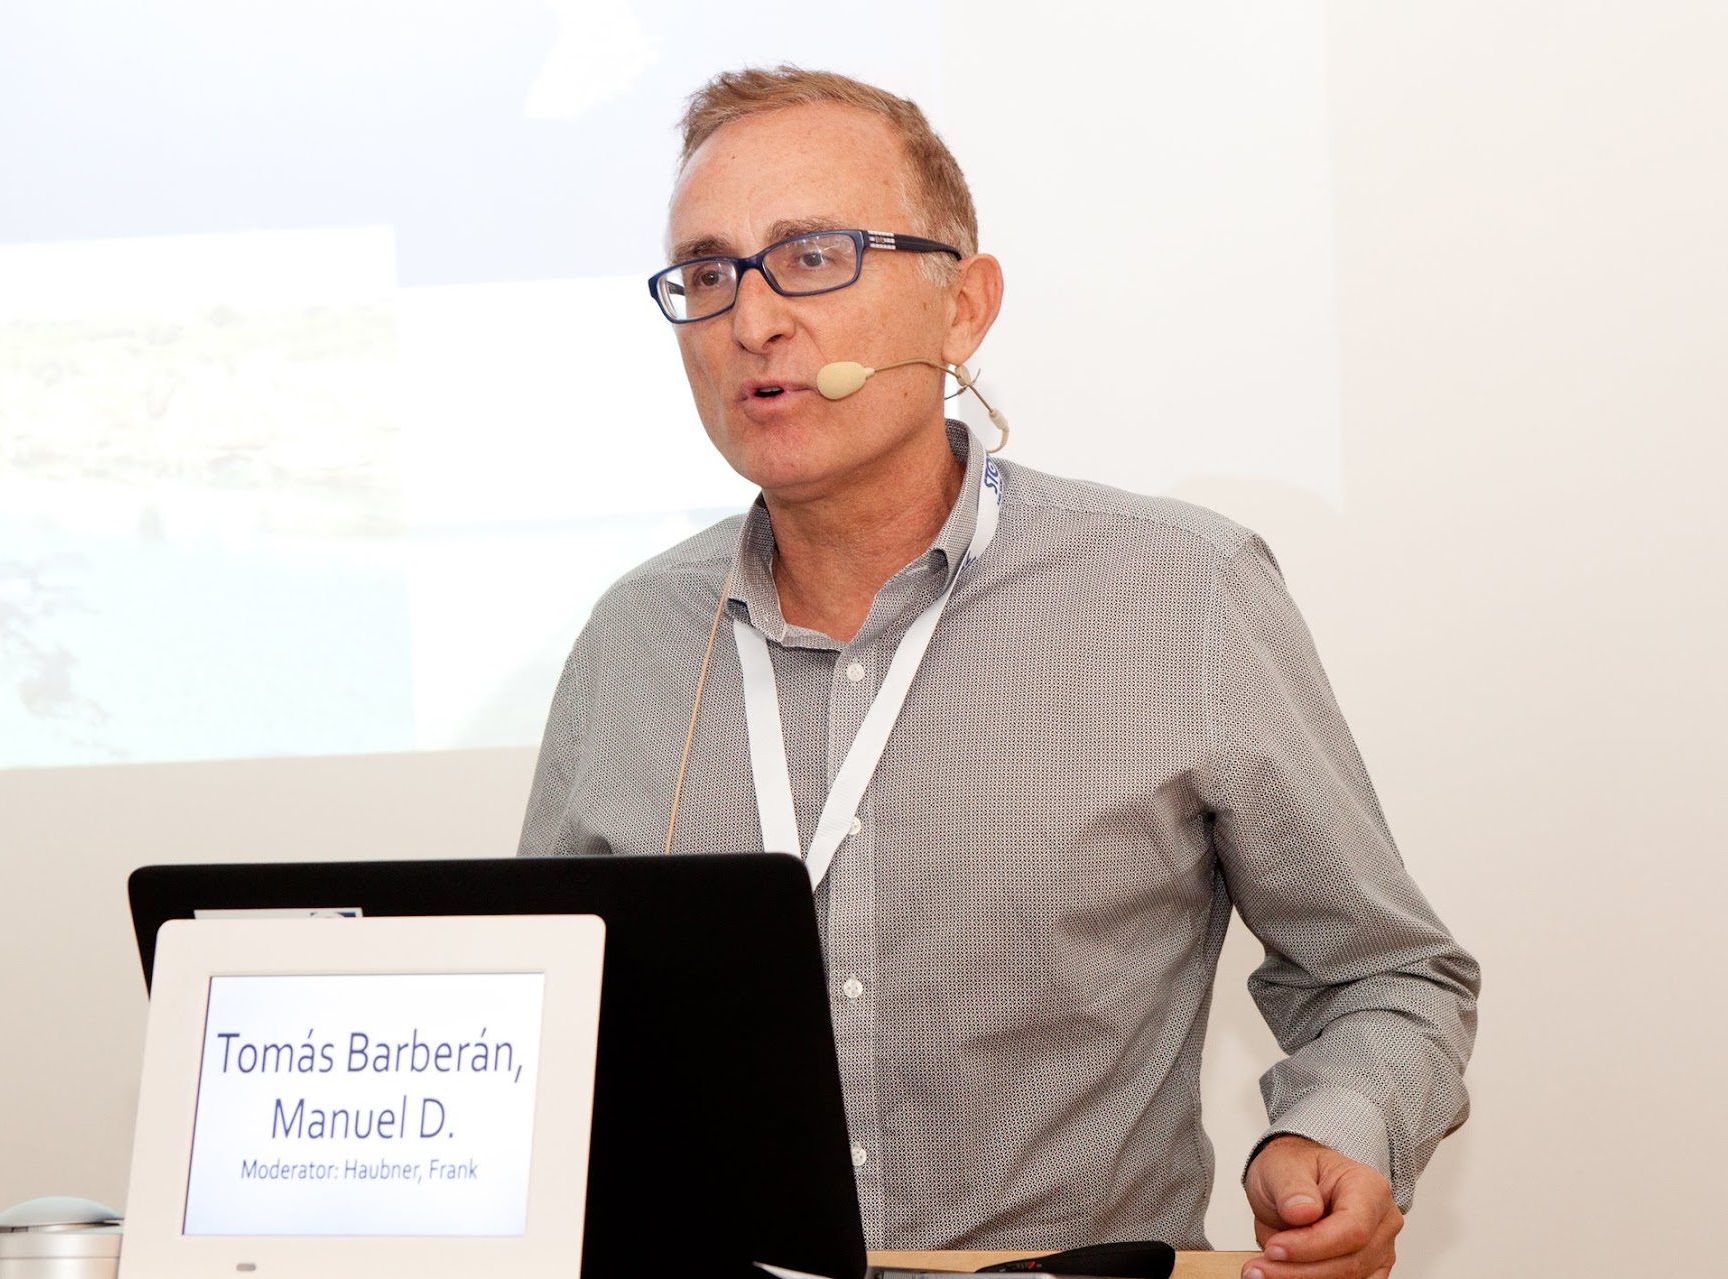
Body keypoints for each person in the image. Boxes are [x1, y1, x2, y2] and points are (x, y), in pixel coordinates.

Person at [521, 67, 1477, 1279]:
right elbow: (544, 1028)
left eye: (810, 257)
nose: (750, 321)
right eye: (706, 274)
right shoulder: (632, 641)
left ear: (962, 309)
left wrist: (1328, 1131)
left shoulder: (1181, 591)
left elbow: (1384, 972)